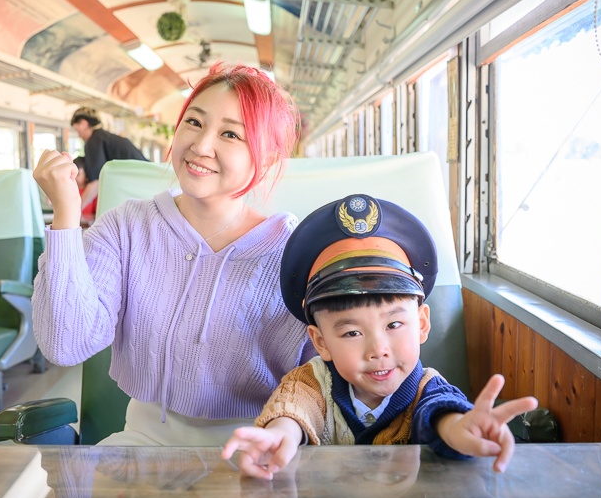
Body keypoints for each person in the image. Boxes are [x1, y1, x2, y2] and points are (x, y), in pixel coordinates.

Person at [32, 63, 311, 446]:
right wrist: (66, 215)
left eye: (230, 133)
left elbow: (327, 378)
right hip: (144, 443)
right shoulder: (126, 227)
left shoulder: (297, 253)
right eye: (194, 123)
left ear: (266, 160)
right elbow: (66, 342)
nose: (201, 145)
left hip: (258, 448)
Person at [222, 194, 538, 479]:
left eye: (394, 325)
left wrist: (463, 429)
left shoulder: (426, 390)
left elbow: (444, 416)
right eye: (352, 332)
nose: (378, 349)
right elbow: (294, 411)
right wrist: (281, 435)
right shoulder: (311, 383)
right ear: (321, 342)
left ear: (422, 323)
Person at [70, 106, 147, 213]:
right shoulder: (105, 138)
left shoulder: (93, 141)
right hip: (146, 185)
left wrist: (75, 212)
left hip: (141, 186)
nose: (78, 135)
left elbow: (95, 183)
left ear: (83, 124)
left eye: (76, 129)